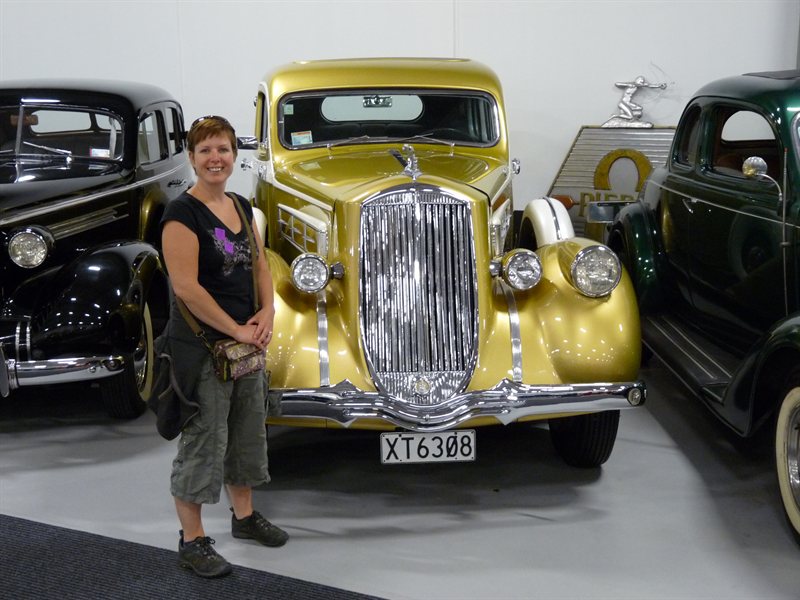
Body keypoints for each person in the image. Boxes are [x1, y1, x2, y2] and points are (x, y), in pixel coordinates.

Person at [159, 114, 288, 579]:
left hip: (246, 341)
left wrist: (268, 311)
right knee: (204, 441)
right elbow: (187, 288)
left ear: (235, 156)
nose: (216, 158)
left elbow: (260, 266)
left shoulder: (239, 203)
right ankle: (192, 540)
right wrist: (235, 330)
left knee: (248, 431)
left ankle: (245, 517)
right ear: (192, 158)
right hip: (204, 346)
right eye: (206, 150)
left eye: (224, 149)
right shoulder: (181, 214)